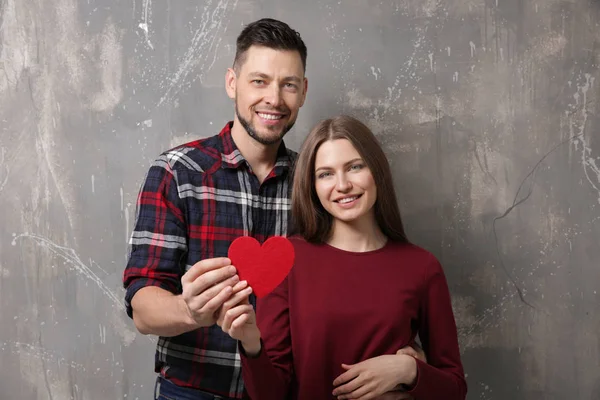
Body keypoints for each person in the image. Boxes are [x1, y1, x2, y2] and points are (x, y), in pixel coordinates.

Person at [122, 18, 308, 399]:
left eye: (288, 84)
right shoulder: (178, 172)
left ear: (303, 92)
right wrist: (189, 310)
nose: (274, 98)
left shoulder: (315, 182)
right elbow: (142, 307)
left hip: (286, 391)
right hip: (193, 391)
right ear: (232, 83)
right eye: (259, 81)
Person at [218, 115, 467, 400]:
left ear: (376, 170)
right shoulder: (287, 261)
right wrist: (251, 342)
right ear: (312, 185)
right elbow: (270, 394)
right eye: (325, 174)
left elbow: (454, 389)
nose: (343, 184)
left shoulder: (422, 267)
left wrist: (407, 370)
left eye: (355, 167)